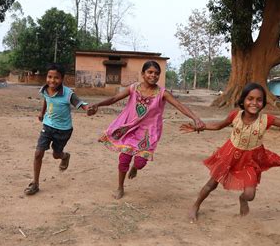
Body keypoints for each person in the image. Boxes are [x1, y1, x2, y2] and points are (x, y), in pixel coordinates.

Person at [181, 83, 280, 221]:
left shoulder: (267, 120)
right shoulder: (235, 115)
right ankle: (195, 206)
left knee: (250, 195)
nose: (254, 103)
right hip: (229, 155)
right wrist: (198, 126)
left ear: (263, 103)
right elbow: (217, 126)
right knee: (211, 184)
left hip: (250, 159)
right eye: (250, 98)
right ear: (243, 100)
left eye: (259, 100)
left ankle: (242, 201)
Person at [87, 60, 206, 199]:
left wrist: (195, 118)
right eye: (150, 72)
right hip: (130, 129)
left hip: (148, 134)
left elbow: (179, 106)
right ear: (143, 74)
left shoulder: (162, 93)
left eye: (156, 73)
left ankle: (135, 168)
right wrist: (97, 105)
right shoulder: (133, 88)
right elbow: (114, 98)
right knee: (124, 159)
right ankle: (120, 187)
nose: (153, 75)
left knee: (140, 163)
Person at [24, 63, 89, 195]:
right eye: (49, 77)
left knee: (56, 155)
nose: (52, 80)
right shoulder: (45, 89)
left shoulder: (68, 93)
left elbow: (80, 103)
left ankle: (64, 156)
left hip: (64, 130)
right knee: (38, 153)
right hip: (48, 126)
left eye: (56, 78)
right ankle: (35, 183)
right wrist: (42, 113)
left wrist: (88, 109)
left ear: (62, 78)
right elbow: (47, 100)